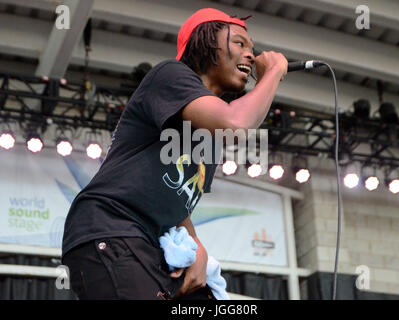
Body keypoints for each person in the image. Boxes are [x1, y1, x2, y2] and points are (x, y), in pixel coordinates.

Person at [61, 7, 288, 300]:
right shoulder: (170, 75)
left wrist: (197, 246)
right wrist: (273, 72)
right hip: (110, 228)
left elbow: (178, 203)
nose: (250, 55)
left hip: (149, 242)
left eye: (252, 49)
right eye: (240, 43)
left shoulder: (210, 137)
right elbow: (236, 123)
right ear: (205, 43)